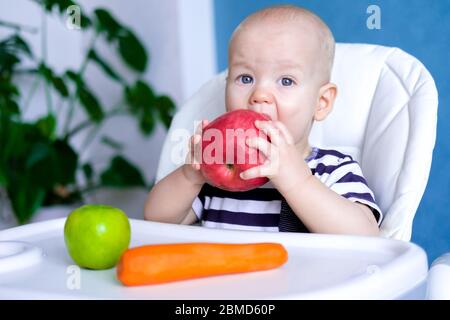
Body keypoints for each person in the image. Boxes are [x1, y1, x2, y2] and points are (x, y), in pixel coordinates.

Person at [144, 5, 382, 236]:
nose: (259, 95)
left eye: (286, 81)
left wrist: (298, 182)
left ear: (321, 102)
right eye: (245, 78)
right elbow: (156, 221)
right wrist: (190, 175)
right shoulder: (214, 178)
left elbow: (365, 235)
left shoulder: (332, 170)